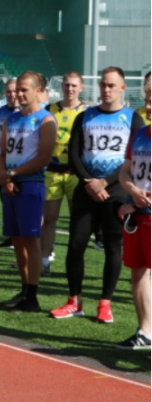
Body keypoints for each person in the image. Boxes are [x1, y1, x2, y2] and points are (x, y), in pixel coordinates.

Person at [53, 67, 146, 322]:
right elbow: (74, 154)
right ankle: (74, 300)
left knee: (112, 246)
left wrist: (104, 182)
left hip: (115, 191)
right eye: (104, 85)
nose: (106, 90)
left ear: (123, 88)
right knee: (76, 244)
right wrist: (90, 182)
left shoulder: (132, 119)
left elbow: (133, 161)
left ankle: (105, 302)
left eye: (112, 86)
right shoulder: (85, 117)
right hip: (86, 189)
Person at [0, 71, 57, 312]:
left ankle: (32, 294)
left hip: (31, 184)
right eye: (17, 89)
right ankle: (23, 290)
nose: (19, 94)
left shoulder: (45, 120)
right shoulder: (10, 119)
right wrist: (4, 175)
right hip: (10, 183)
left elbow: (43, 158)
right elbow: (0, 152)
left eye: (25, 90)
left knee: (31, 239)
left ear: (37, 91)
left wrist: (13, 174)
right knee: (17, 239)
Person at [115, 79, 151, 349]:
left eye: (151, 100)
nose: (147, 106)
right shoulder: (140, 135)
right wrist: (130, 192)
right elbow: (126, 170)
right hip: (137, 216)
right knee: (137, 272)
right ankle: (145, 331)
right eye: (146, 99)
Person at [41, 72, 87, 275]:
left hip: (76, 173)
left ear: (81, 88)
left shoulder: (87, 112)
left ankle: (74, 262)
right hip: (52, 171)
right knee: (49, 218)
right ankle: (44, 261)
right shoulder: (49, 109)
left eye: (74, 85)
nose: (70, 88)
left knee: (77, 221)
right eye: (67, 85)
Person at [0, 79, 19, 249]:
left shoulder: (27, 112)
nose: (12, 95)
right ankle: (12, 236)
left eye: (15, 91)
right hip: (2, 162)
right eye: (9, 92)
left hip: (20, 162)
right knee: (6, 199)